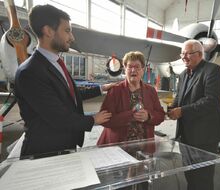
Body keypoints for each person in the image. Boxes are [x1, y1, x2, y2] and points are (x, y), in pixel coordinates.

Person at [14, 4, 112, 157]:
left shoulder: (55, 63)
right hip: (45, 153)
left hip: (64, 146)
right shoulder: (31, 72)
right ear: (48, 31)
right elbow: (58, 117)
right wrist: (93, 119)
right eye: (67, 31)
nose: (72, 38)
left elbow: (69, 95)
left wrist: (102, 88)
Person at [167, 39, 220, 190]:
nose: (183, 57)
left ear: (200, 54)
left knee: (203, 178)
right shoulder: (183, 74)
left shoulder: (213, 70)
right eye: (182, 54)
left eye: (188, 54)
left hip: (205, 136)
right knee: (190, 175)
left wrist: (182, 111)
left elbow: (211, 101)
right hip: (185, 135)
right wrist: (170, 109)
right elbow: (179, 97)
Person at [97, 51, 165, 145]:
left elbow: (161, 115)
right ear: (125, 69)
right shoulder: (115, 90)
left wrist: (148, 116)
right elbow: (104, 120)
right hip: (118, 148)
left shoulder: (151, 91)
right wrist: (130, 115)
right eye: (130, 66)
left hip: (144, 146)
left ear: (142, 69)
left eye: (137, 67)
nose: (133, 70)